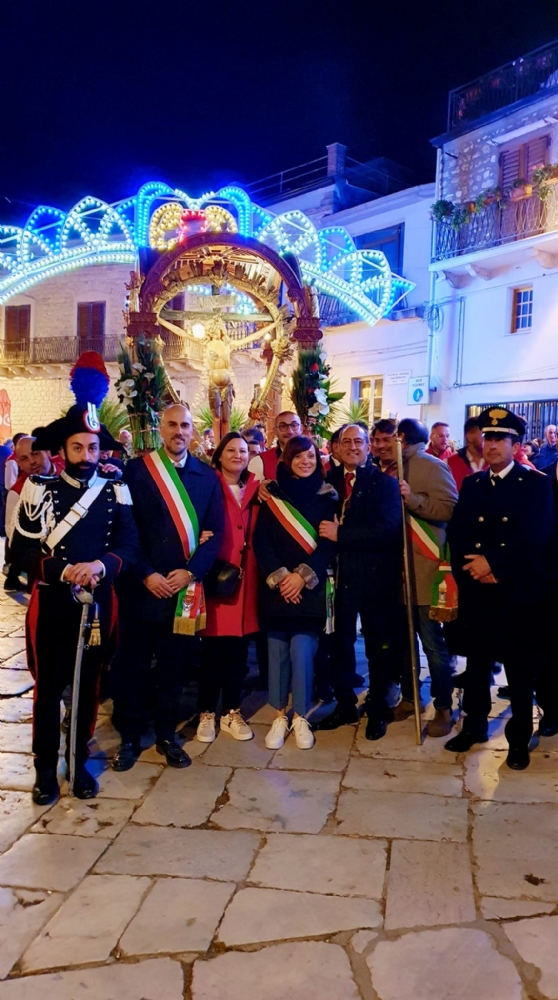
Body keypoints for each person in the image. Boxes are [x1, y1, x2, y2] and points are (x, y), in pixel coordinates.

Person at [9, 354, 139, 804]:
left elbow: (129, 546)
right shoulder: (38, 489)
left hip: (99, 603)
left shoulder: (116, 489)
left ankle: (78, 762)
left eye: (94, 448)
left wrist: (102, 566)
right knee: (49, 688)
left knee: (88, 685)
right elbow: (21, 552)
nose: (87, 456)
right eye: (79, 448)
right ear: (62, 449)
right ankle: (46, 769)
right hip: (53, 604)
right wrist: (63, 569)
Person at [112, 403, 224, 771]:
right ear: (161, 429)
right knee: (134, 667)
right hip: (143, 588)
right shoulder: (137, 471)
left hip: (182, 591)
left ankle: (165, 735)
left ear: (193, 432)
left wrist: (190, 573)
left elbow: (215, 534)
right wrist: (145, 573)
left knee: (174, 669)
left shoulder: (207, 478)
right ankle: (129, 737)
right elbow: (126, 530)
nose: (179, 431)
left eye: (185, 426)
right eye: (172, 424)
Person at [445, 407, 555, 769]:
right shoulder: (473, 484)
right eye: (486, 437)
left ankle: (519, 738)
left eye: (498, 439)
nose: (489, 444)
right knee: (476, 663)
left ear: (515, 444)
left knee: (519, 670)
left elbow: (536, 539)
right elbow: (459, 533)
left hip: (518, 593)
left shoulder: (536, 484)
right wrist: (475, 570)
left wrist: (493, 564)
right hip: (480, 592)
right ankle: (475, 725)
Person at [316, 424, 402, 738]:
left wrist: (343, 535)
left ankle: (378, 709)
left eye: (359, 441)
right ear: (336, 447)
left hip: (375, 578)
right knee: (339, 644)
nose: (352, 447)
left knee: (379, 647)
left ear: (369, 447)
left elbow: (389, 530)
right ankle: (345, 704)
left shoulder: (383, 483)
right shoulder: (327, 482)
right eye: (346, 441)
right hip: (338, 579)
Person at [253, 435, 337, 750]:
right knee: (276, 655)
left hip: (309, 589)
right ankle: (279, 715)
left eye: (311, 457)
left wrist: (302, 577)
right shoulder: (271, 495)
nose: (305, 462)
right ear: (288, 459)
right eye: (299, 456)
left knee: (302, 653)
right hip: (277, 589)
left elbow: (329, 543)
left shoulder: (328, 496)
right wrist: (281, 578)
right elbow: (262, 541)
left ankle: (300, 715)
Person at [397, 418, 458, 737]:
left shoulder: (431, 465)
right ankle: (409, 697)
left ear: (403, 439)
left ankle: (444, 705)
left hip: (424, 568)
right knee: (403, 643)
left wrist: (414, 500)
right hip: (397, 573)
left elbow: (448, 508)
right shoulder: (390, 468)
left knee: (432, 644)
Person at [197, 432, 259, 743]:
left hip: (246, 581)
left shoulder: (259, 489)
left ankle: (232, 711)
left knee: (237, 652)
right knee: (210, 651)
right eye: (231, 449)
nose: (237, 455)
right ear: (219, 455)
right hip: (215, 577)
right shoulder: (205, 484)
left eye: (243, 450)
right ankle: (207, 711)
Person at [4, 436, 59, 592]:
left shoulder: (69, 475)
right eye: (24, 458)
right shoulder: (17, 492)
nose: (31, 461)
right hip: (41, 563)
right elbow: (12, 532)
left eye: (35, 454)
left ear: (47, 451)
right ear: (19, 464)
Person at [248, 411, 302, 481]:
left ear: (301, 429)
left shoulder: (313, 460)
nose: (289, 431)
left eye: (294, 425)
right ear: (275, 431)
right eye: (283, 426)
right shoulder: (260, 461)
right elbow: (250, 490)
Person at [447, 417, 485, 492]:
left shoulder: (496, 462)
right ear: (469, 436)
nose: (488, 439)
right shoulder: (449, 463)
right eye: (484, 435)